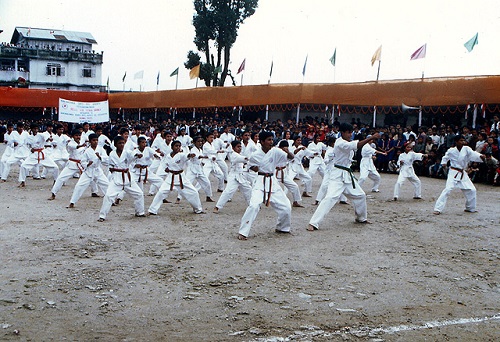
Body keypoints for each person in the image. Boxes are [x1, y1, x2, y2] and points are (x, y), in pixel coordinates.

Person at [308, 123, 380, 231]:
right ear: (342, 133)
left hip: (347, 175)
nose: (350, 134)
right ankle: (313, 223)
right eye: (348, 132)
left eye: (351, 132)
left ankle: (361, 218)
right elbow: (357, 145)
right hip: (337, 175)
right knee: (330, 197)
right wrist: (371, 138)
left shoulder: (347, 142)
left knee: (360, 195)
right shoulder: (339, 143)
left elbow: (354, 146)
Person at [238, 131, 292, 240]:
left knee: (286, 206)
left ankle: (282, 227)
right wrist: (257, 168)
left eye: (272, 140)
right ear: (262, 142)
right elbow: (250, 166)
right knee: (253, 205)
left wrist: (287, 151)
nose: (271, 142)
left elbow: (289, 158)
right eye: (268, 140)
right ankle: (243, 232)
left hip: (272, 181)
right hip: (260, 180)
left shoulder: (276, 151)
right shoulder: (255, 155)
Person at [148, 140, 204, 215]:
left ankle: (198, 209)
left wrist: (191, 155)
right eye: (176, 146)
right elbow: (165, 165)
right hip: (171, 178)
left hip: (181, 178)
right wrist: (166, 169)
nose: (178, 147)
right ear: (172, 147)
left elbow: (187, 155)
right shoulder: (168, 156)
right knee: (161, 192)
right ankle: (152, 210)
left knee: (194, 192)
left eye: (179, 146)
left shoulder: (181, 155)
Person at [433, 135, 485, 215]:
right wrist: (443, 163)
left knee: (472, 190)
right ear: (456, 142)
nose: (463, 142)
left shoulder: (466, 149)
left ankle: (470, 208)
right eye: (461, 140)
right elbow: (445, 157)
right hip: (453, 172)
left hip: (462, 173)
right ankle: (438, 209)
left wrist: (480, 156)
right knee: (448, 189)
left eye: (463, 140)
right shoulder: (451, 150)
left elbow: (473, 154)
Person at [98, 136, 146, 221]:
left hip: (127, 178)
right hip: (116, 177)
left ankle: (140, 212)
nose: (122, 145)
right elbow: (109, 163)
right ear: (115, 144)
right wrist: (111, 168)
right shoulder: (112, 153)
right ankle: (102, 216)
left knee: (139, 194)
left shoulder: (127, 152)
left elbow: (132, 155)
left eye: (123, 143)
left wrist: (137, 155)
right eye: (119, 143)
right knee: (108, 196)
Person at [67, 134, 109, 208]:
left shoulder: (101, 149)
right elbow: (82, 161)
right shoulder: (86, 151)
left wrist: (100, 157)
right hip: (88, 171)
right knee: (79, 186)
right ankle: (72, 202)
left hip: (97, 170)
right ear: (90, 141)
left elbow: (107, 159)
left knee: (106, 184)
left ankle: (110, 201)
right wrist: (87, 164)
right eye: (93, 140)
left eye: (96, 140)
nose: (95, 142)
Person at [213, 140, 252, 213]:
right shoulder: (233, 155)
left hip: (241, 176)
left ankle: (251, 205)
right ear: (233, 148)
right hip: (233, 176)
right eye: (238, 147)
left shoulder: (239, 154)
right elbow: (243, 159)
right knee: (228, 191)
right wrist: (250, 159)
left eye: (240, 147)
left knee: (248, 189)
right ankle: (217, 207)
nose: (239, 148)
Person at [49, 129, 87, 200]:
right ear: (73, 136)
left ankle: (94, 191)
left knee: (92, 177)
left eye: (79, 135)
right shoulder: (70, 143)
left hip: (81, 164)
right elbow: (75, 147)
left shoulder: (82, 142)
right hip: (72, 164)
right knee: (61, 178)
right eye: (76, 135)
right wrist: (82, 145)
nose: (78, 137)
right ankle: (53, 193)